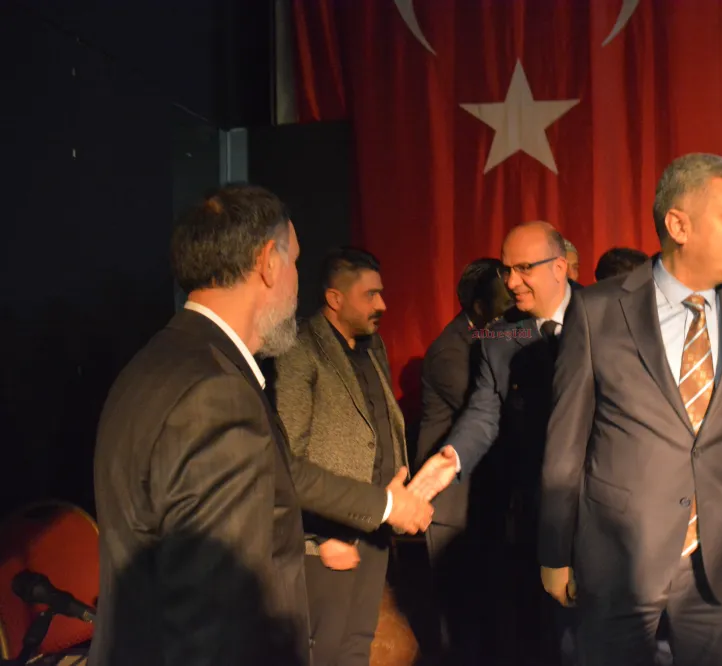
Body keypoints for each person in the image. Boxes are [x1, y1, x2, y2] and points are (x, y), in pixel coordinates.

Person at [90, 185, 431, 666]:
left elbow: (281, 473)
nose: (296, 283)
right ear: (269, 262)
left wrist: (389, 504)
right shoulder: (215, 392)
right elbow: (216, 618)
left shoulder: (155, 365)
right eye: (295, 262)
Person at [532, 153, 722, 666]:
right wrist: (554, 551)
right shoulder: (597, 311)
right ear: (679, 225)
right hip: (617, 562)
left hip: (721, 567)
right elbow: (566, 445)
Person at [410, 221, 581, 664]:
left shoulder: (605, 316)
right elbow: (485, 413)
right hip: (532, 517)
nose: (511, 282)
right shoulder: (500, 337)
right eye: (507, 270)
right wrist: (451, 456)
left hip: (598, 513)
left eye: (524, 268)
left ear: (559, 267)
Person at [273, 247, 424, 666]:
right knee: (327, 650)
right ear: (335, 299)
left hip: (374, 525)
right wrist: (317, 538)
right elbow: (287, 458)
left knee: (359, 643)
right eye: (370, 295)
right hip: (330, 538)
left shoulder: (373, 347)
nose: (383, 304)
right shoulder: (300, 348)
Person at [415, 257, 511, 663]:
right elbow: (492, 411)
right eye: (505, 302)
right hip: (452, 505)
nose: (514, 309)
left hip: (483, 501)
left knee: (491, 618)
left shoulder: (498, 336)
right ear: (479, 307)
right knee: (460, 622)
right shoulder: (450, 351)